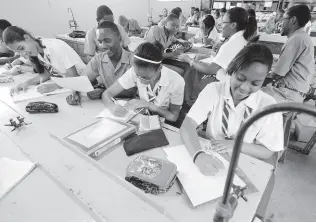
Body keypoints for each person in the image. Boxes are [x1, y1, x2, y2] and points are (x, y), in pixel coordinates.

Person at [180, 43, 283, 167]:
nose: (244, 88)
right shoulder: (213, 90)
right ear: (232, 69)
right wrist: (198, 155)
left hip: (244, 160)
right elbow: (188, 125)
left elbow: (267, 151)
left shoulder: (268, 105)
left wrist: (235, 144)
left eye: (255, 84)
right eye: (240, 78)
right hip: (213, 154)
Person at [178, 7, 258, 106]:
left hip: (224, 83)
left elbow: (210, 69)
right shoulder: (240, 39)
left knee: (190, 70)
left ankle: (188, 103)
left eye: (223, 23)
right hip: (233, 80)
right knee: (198, 60)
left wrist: (189, 60)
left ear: (233, 25)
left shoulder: (232, 43)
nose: (220, 26)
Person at [102, 42, 185, 123]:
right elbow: (107, 93)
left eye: (146, 77)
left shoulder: (176, 81)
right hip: (143, 118)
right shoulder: (134, 72)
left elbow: (173, 117)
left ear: (159, 68)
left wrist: (149, 105)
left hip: (165, 122)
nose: (141, 80)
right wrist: (111, 106)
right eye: (138, 76)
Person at [67, 21, 136, 105]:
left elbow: (141, 94)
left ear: (120, 39)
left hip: (132, 106)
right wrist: (75, 93)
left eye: (107, 40)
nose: (102, 46)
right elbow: (81, 82)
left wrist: (104, 92)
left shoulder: (134, 61)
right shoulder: (98, 60)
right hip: (108, 105)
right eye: (100, 41)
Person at [4, 26, 85, 95]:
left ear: (27, 37)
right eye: (18, 52)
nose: (23, 54)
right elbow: (45, 74)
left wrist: (55, 86)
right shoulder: (36, 52)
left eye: (21, 48)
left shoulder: (56, 47)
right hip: (66, 85)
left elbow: (75, 77)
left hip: (82, 85)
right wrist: (26, 83)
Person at [263, 5, 314, 104]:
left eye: (283, 19)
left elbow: (277, 74)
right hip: (292, 94)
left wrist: (256, 76)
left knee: (250, 96)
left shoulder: (297, 38)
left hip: (286, 95)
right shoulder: (303, 38)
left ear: (293, 20)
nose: (280, 23)